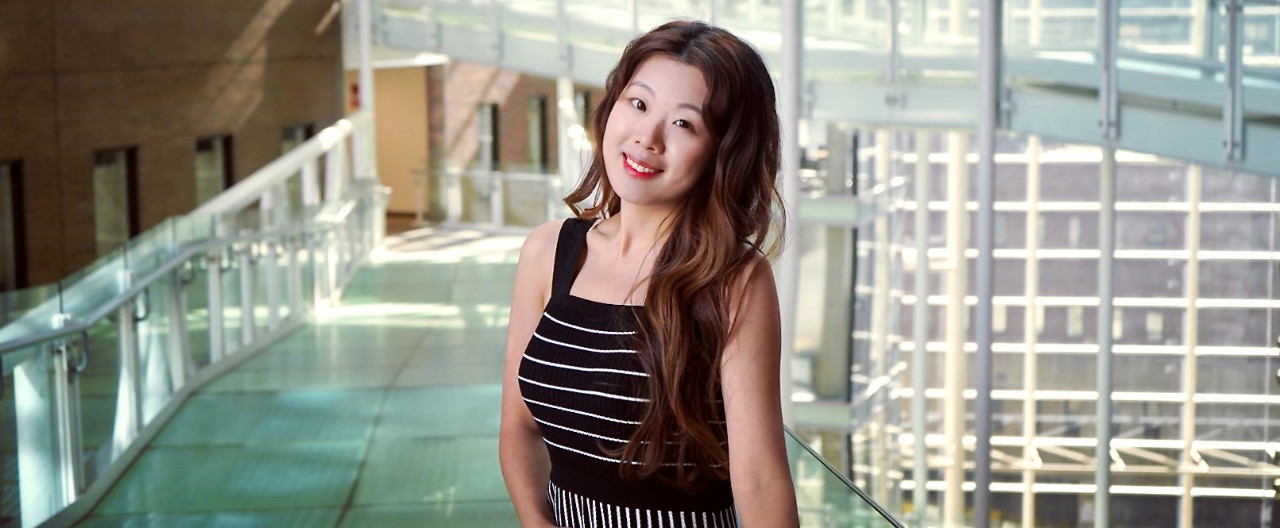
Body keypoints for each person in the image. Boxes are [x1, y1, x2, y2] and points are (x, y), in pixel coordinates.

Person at [499, 20, 800, 528]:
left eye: (684, 124)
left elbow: (759, 477)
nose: (647, 137)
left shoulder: (734, 278)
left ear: (722, 152)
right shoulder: (547, 252)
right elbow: (518, 429)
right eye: (638, 104)